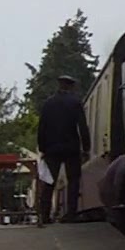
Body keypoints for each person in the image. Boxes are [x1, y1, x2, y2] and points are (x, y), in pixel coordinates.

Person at [36, 74, 91, 224]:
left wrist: (42, 148)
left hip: (51, 148)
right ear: (71, 86)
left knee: (49, 181)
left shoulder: (48, 104)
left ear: (59, 85)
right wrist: (86, 148)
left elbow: (42, 128)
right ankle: (71, 214)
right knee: (73, 180)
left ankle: (45, 215)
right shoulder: (75, 103)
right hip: (71, 148)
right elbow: (82, 127)